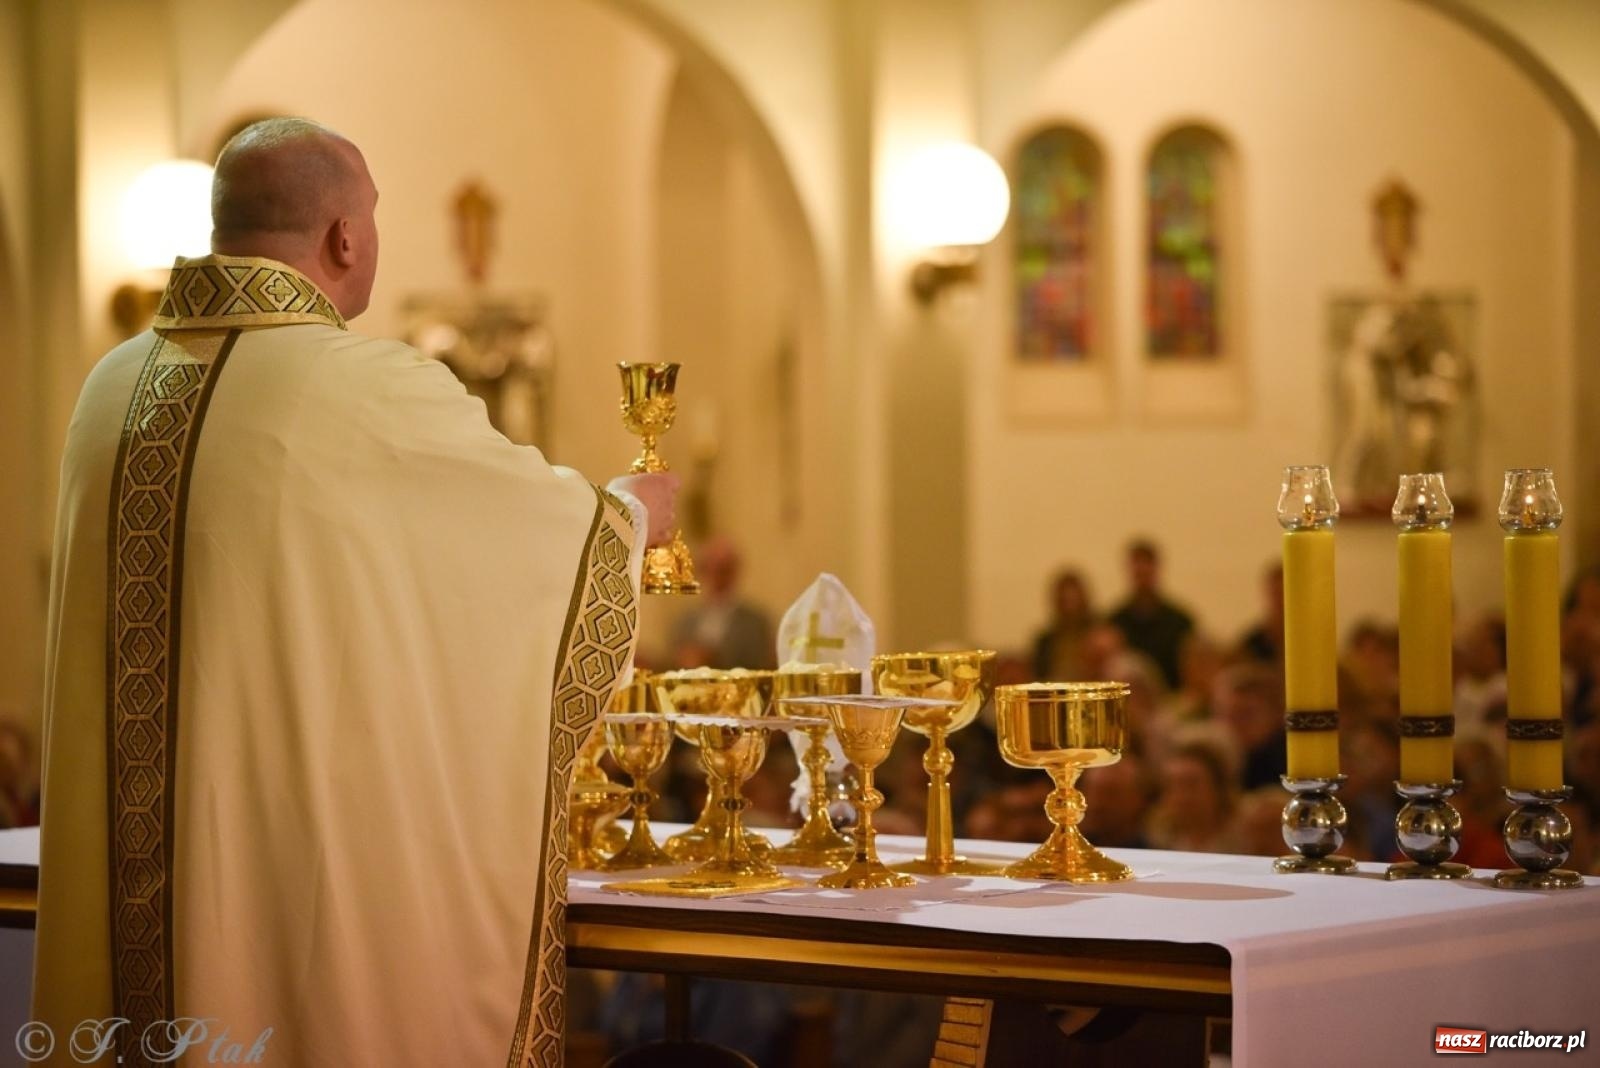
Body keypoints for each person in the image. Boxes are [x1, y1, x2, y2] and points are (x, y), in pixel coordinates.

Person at [33, 118, 677, 1067]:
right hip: (273, 896)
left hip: (130, 908)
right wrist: (627, 516)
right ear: (343, 237)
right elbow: (542, 556)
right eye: (372, 215)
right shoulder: (367, 386)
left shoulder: (107, 392)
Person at [668, 535, 776, 669]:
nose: (716, 576)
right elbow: (673, 662)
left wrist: (714, 659)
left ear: (734, 571)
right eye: (710, 568)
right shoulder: (686, 621)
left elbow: (760, 665)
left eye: (723, 570)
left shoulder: (755, 622)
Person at [1108, 538, 1194, 690]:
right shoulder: (1115, 622)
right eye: (1138, 571)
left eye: (1146, 570)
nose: (1142, 577)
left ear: (1156, 570)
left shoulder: (1180, 622)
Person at [1030, 568, 1097, 681]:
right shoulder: (1045, 642)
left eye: (1073, 600)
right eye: (1065, 601)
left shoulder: (1098, 638)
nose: (1070, 608)